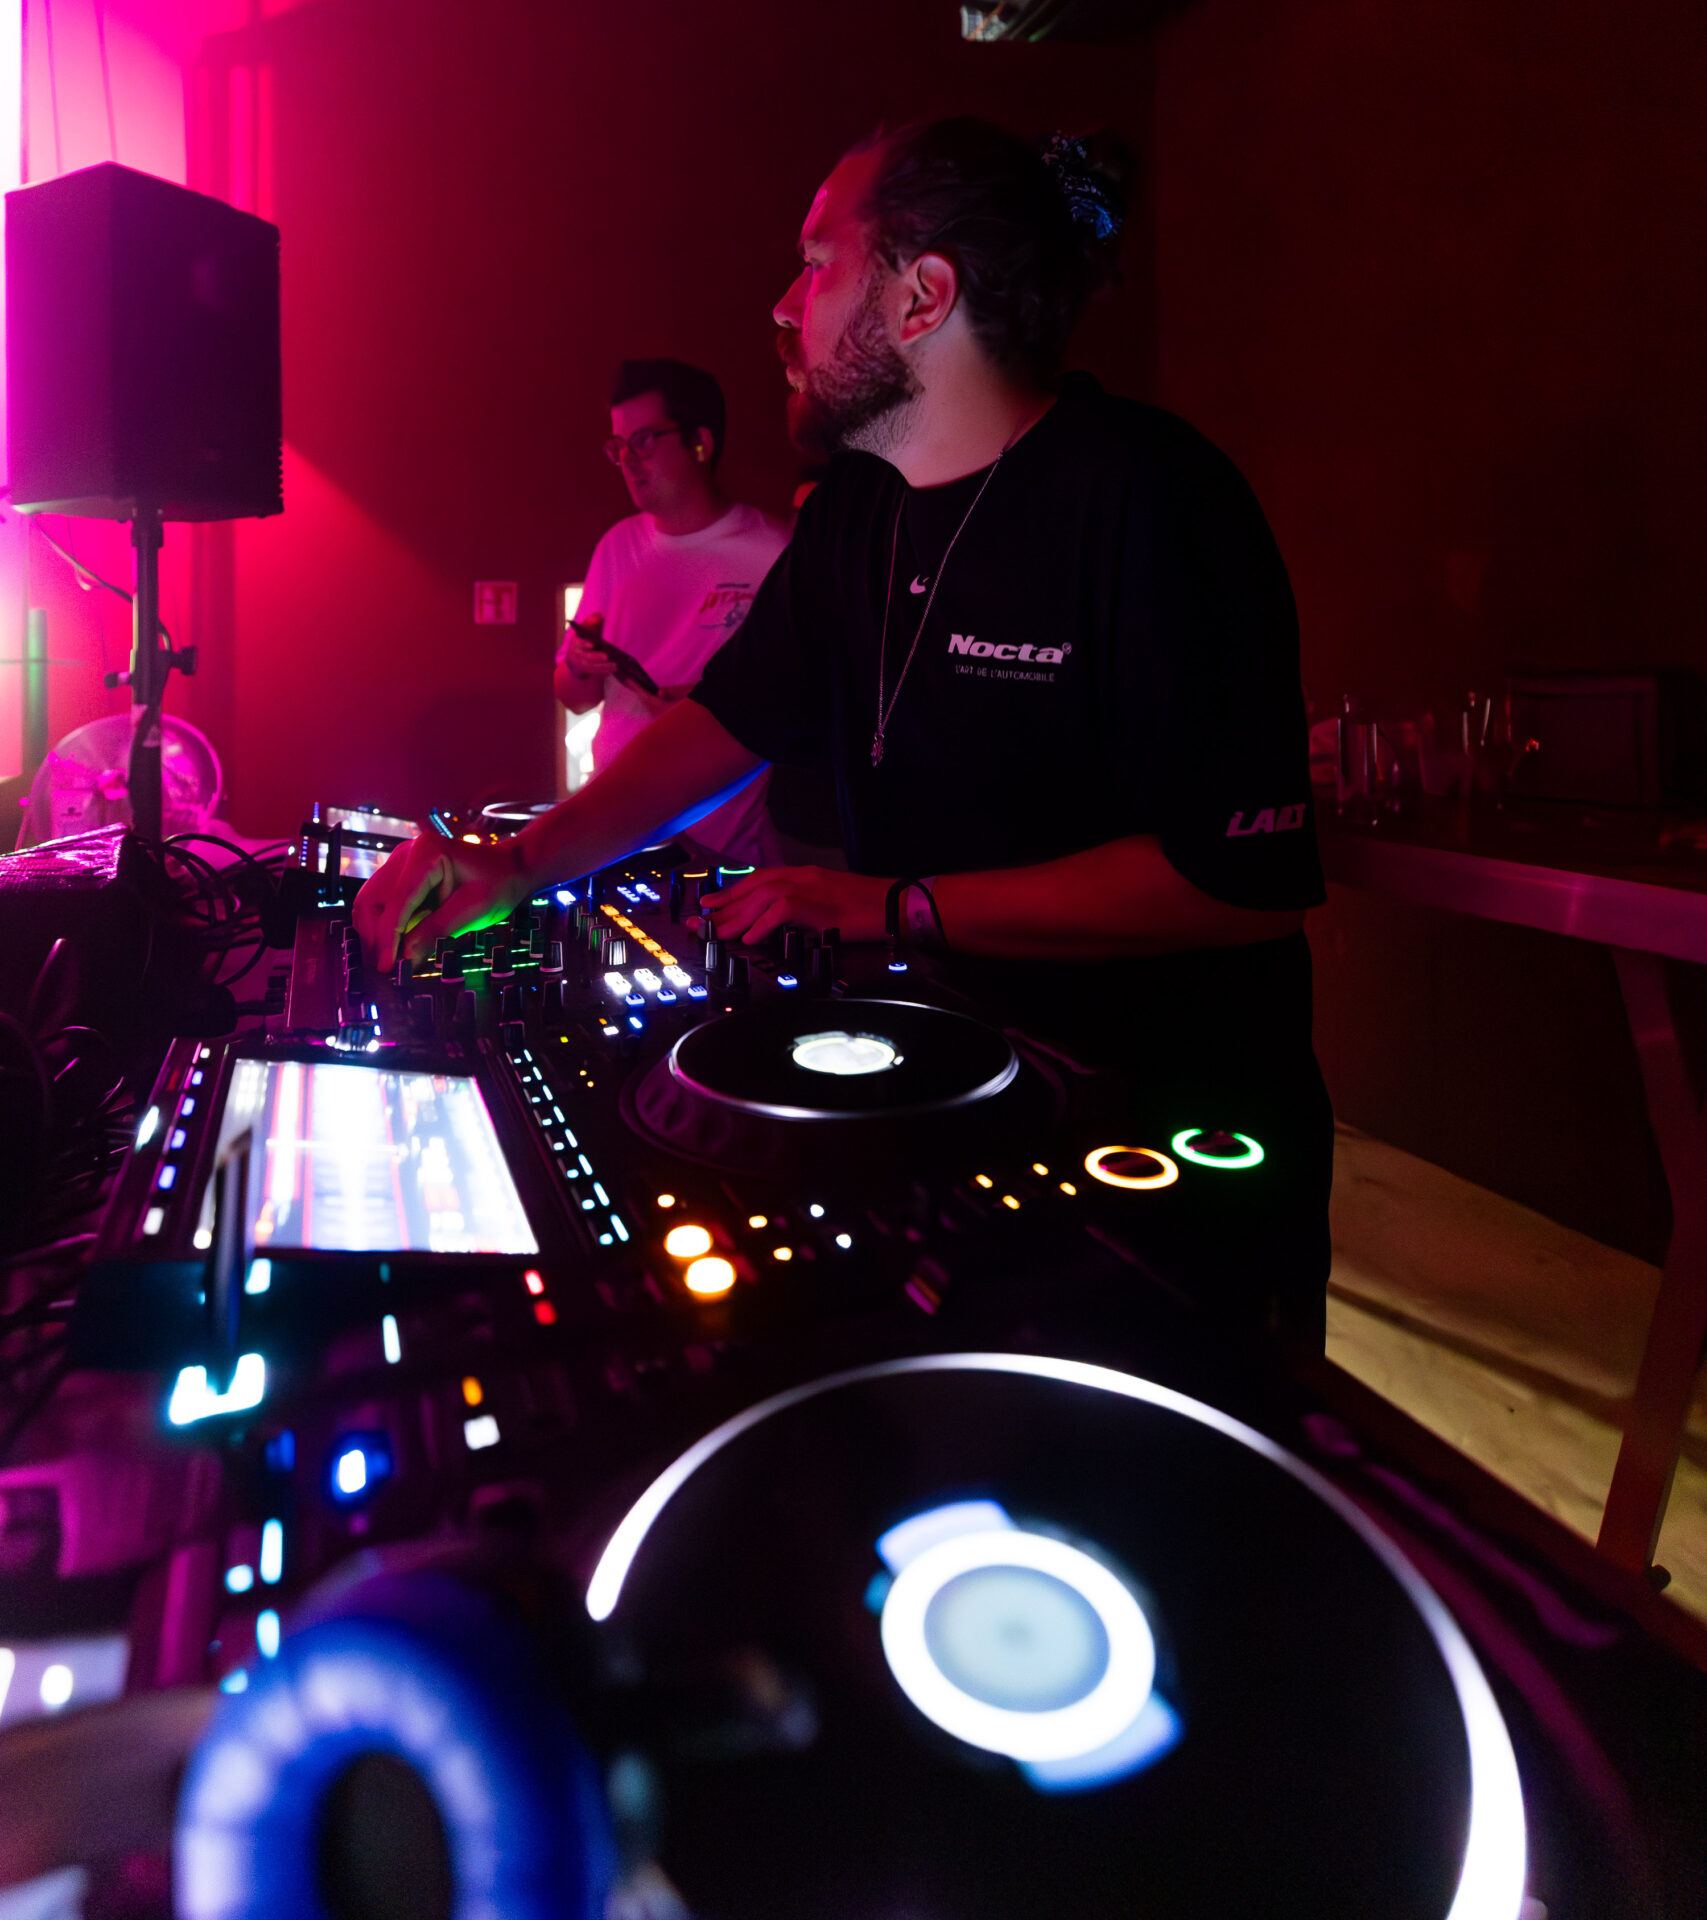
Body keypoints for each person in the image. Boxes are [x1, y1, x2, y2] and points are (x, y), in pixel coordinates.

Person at [360, 121, 1329, 1336]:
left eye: (817, 263)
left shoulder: (1157, 496)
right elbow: (726, 720)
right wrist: (517, 863)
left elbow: (1237, 887)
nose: (783, 306)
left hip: (1164, 1157)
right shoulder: (857, 513)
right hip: (942, 1101)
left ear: (923, 297)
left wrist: (894, 905)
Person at [554, 358, 789, 869]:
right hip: (611, 838)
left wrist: (707, 707)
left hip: (725, 850)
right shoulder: (618, 547)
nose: (628, 462)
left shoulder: (774, 550)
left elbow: (805, 705)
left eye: (643, 441)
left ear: (700, 442)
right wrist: (578, 663)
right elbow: (574, 697)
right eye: (619, 447)